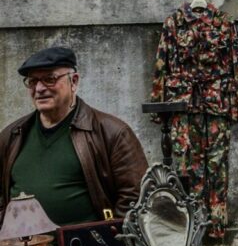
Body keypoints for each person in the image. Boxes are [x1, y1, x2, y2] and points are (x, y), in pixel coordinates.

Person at [0, 46, 148, 226]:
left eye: (49, 79)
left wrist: (109, 241)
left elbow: (135, 198)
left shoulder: (112, 133)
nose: (39, 88)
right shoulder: (13, 135)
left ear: (74, 81)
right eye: (32, 81)